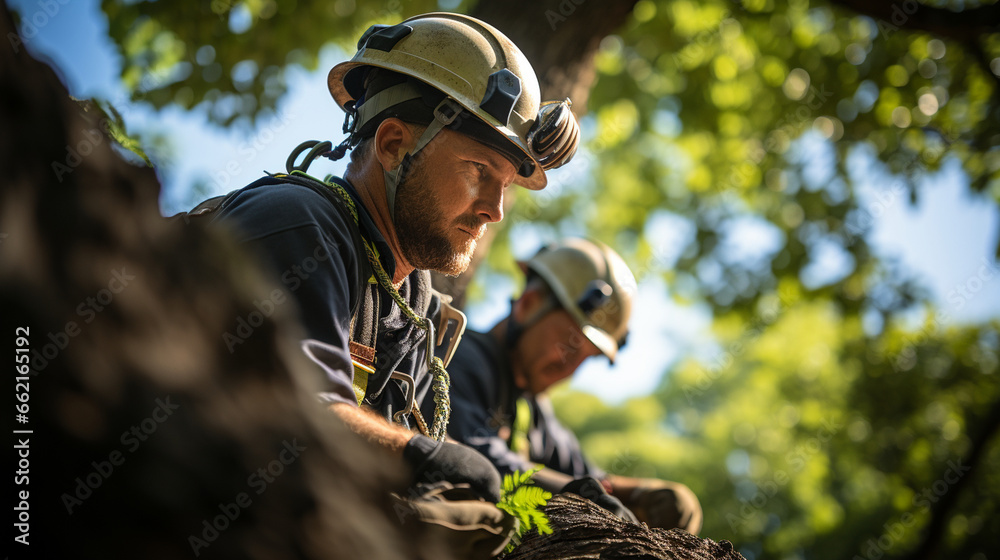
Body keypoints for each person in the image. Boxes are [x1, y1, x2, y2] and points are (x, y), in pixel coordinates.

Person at [200, 11, 580, 520]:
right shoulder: (298, 226)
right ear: (394, 145)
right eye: (479, 170)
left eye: (506, 184)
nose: (496, 209)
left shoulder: (416, 304)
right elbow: (284, 412)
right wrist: (420, 456)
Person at [447, 238, 704, 534]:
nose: (571, 368)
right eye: (571, 345)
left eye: (587, 358)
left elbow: (588, 477)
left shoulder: (534, 413)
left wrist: (636, 493)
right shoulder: (458, 357)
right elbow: (473, 461)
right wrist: (581, 501)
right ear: (529, 305)